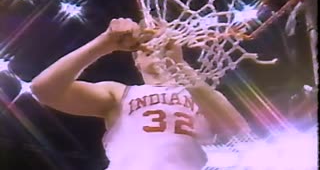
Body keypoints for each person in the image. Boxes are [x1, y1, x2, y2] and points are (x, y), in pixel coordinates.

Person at [31, 18, 250, 170]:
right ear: (136, 60)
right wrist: (104, 43)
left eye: (163, 42)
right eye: (147, 42)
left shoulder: (203, 95)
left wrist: (178, 64)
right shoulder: (120, 93)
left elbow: (240, 133)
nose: (156, 47)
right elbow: (44, 89)